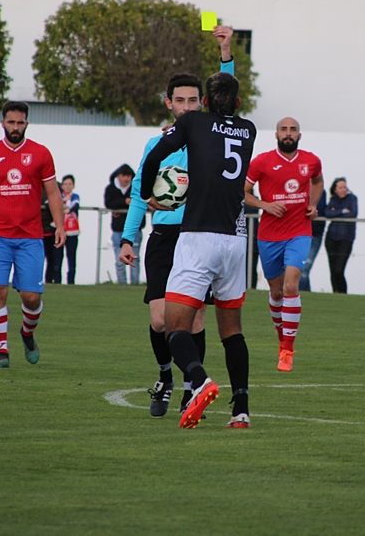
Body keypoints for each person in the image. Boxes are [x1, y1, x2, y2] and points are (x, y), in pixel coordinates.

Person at [120, 27, 236, 417]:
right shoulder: (157, 145)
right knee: (159, 320)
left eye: (193, 100)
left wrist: (225, 51)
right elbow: (140, 191)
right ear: (168, 103)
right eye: (179, 100)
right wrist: (128, 238)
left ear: (202, 102)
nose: (187, 106)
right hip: (166, 236)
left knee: (196, 317)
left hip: (199, 235)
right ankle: (165, 376)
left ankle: (192, 387)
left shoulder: (209, 136)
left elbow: (228, 90)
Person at [139, 71, 256, 430]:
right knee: (231, 329)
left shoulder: (192, 121)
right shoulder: (249, 129)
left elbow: (154, 158)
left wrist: (149, 195)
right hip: (236, 240)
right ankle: (241, 411)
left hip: (199, 238)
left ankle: (198, 379)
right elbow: (223, 121)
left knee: (175, 326)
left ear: (203, 102)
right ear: (238, 104)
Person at [0, 101, 65, 368]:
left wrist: (59, 225)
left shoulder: (40, 154)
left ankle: (27, 333)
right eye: (11, 122)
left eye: (20, 123)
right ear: (3, 123)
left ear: (26, 124)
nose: (15, 127)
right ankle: (1, 353)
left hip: (31, 237)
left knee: (31, 297)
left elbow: (52, 193)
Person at [245, 117, 323, 372]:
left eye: (293, 130)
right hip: (269, 235)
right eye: (283, 129)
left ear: (299, 135)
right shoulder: (262, 162)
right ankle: (281, 340)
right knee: (276, 292)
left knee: (291, 285)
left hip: (300, 231)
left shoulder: (310, 160)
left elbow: (318, 181)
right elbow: (241, 191)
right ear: (276, 134)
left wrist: (313, 204)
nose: (288, 133)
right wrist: (265, 205)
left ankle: (288, 351)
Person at [106, 164, 140, 285]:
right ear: (118, 176)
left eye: (128, 176)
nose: (126, 178)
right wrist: (125, 202)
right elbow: (108, 203)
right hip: (118, 229)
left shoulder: (137, 187)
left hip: (135, 230)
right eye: (123, 176)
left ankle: (135, 284)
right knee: (119, 260)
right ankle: (122, 284)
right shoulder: (111, 188)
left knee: (134, 258)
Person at [324, 178, 358, 294]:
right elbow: (327, 213)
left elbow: (353, 213)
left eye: (345, 187)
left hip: (346, 239)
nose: (343, 189)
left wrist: (336, 212)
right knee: (333, 269)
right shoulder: (333, 200)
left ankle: (343, 293)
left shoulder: (352, 199)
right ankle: (335, 293)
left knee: (339, 269)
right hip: (331, 238)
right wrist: (343, 210)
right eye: (340, 187)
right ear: (335, 190)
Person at [299, 189, 327, 292]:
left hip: (315, 234)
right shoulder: (300, 189)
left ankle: (303, 292)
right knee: (299, 267)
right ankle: (304, 293)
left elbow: (321, 209)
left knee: (305, 267)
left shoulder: (321, 192)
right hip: (300, 234)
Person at [61, 175, 80, 285]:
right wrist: (62, 201)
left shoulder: (75, 196)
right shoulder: (58, 196)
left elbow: (75, 205)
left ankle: (71, 282)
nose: (67, 186)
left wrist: (67, 209)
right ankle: (56, 282)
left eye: (70, 184)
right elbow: (49, 203)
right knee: (57, 258)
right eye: (65, 184)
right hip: (59, 230)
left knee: (71, 256)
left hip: (72, 230)